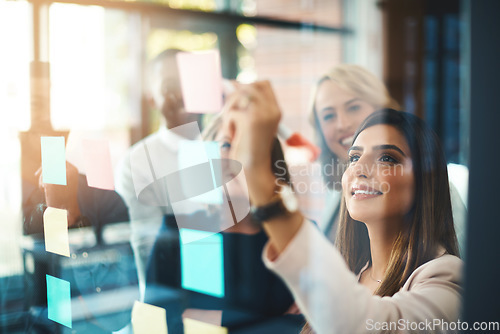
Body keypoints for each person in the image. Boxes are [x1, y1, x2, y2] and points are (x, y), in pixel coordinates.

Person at [223, 82, 462, 333]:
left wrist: (262, 185)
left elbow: (364, 325)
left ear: (426, 182)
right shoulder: (353, 273)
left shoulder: (447, 279)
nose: (358, 169)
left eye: (387, 158)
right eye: (354, 157)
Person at [310, 64, 467, 252]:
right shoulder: (340, 190)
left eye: (353, 107)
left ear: (381, 108)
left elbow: (463, 269)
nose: (342, 124)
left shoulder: (431, 186)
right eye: (328, 116)